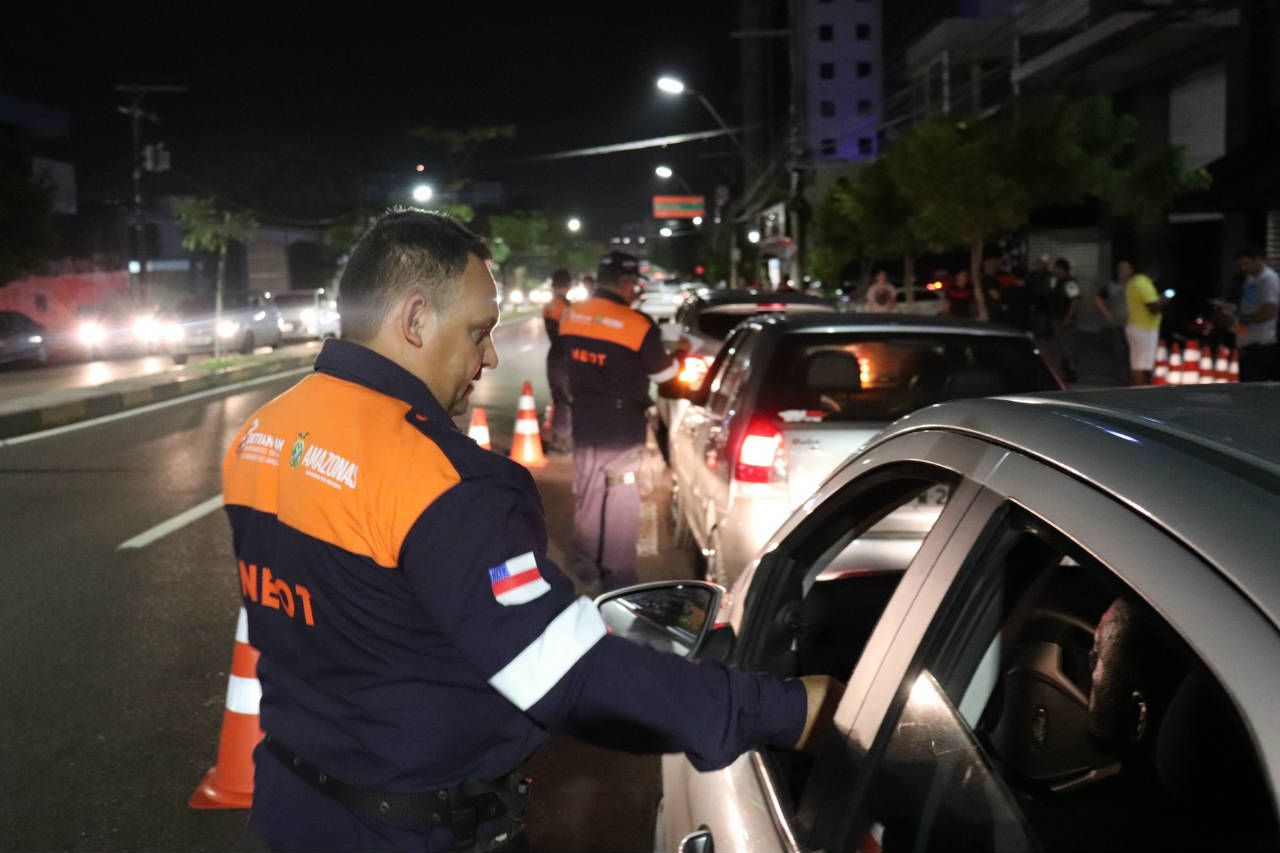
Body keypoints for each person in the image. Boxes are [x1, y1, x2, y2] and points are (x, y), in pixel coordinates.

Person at [222, 210, 840, 852]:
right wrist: (789, 712)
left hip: (296, 809)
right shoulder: (448, 483)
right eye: (477, 332)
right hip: (414, 831)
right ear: (413, 320)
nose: (488, 356)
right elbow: (568, 674)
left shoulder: (263, 433)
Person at [559, 251, 678, 592]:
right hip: (622, 424)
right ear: (626, 284)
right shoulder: (637, 325)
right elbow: (665, 374)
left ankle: (585, 563)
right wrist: (676, 352)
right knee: (622, 494)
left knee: (589, 489)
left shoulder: (570, 316)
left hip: (584, 418)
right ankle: (618, 574)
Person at [1218, 246, 1279, 381]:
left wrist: (1240, 318)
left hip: (1262, 343)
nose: (1243, 268)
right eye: (1240, 265)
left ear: (1257, 260)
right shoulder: (1249, 280)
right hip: (1246, 341)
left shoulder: (1268, 279)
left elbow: (1270, 311)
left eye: (1246, 264)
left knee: (1258, 386)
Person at [1121, 259, 1168, 386]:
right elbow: (1153, 307)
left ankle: (1140, 387)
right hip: (1144, 327)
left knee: (1137, 362)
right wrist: (1163, 300)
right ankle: (1141, 388)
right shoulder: (1143, 283)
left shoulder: (1133, 282)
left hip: (1136, 325)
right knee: (1142, 363)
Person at [541, 268, 573, 452]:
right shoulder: (568, 308)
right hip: (566, 356)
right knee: (566, 398)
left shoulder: (548, 307)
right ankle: (562, 439)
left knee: (558, 396)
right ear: (568, 285)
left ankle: (559, 436)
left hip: (554, 355)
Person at [1046, 258, 1081, 382]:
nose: (1053, 270)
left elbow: (1075, 300)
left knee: (1068, 345)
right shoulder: (1057, 281)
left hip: (1065, 319)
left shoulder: (1069, 282)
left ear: (1061, 269)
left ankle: (1071, 372)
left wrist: (1069, 316)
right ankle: (1064, 371)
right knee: (1060, 345)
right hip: (1057, 317)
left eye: (1055, 267)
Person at [1093, 271, 1129, 383]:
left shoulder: (1134, 285)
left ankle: (1131, 375)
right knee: (1119, 350)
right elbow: (1097, 298)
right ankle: (1121, 377)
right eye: (1122, 269)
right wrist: (1107, 314)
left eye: (1126, 269)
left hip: (1133, 324)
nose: (1124, 272)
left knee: (1131, 351)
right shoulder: (1111, 286)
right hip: (1117, 323)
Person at [1026, 254, 1054, 337]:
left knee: (1043, 328)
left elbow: (1050, 291)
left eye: (1041, 263)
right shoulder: (1032, 274)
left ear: (1045, 264)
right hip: (1033, 305)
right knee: (1034, 327)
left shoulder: (1050, 276)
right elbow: (1028, 287)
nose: (1039, 265)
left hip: (1045, 306)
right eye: (1038, 263)